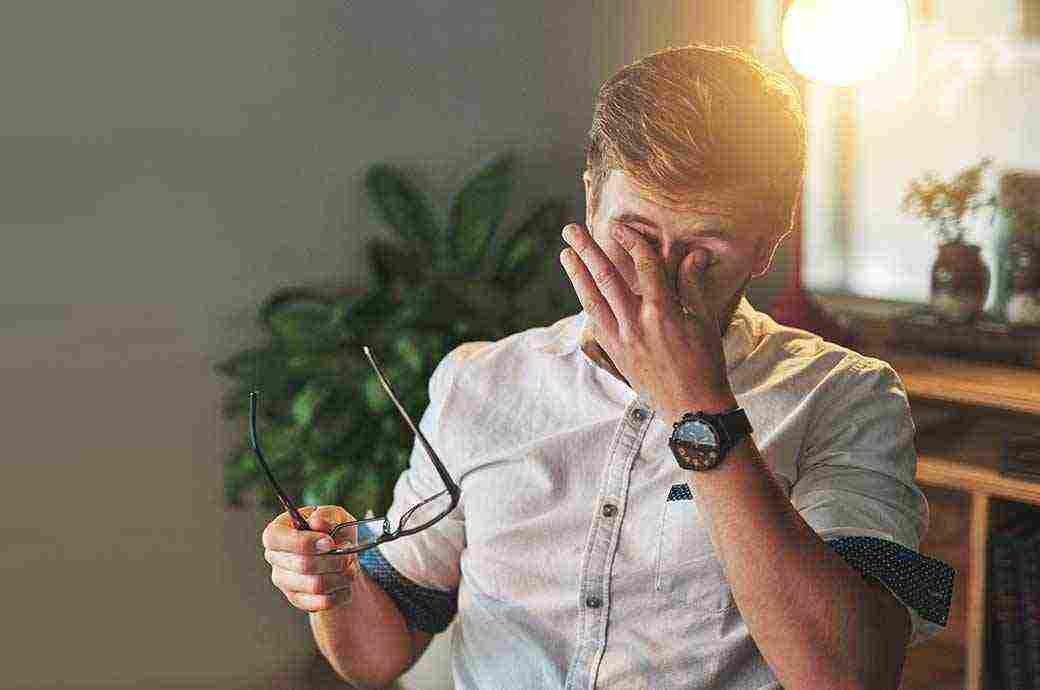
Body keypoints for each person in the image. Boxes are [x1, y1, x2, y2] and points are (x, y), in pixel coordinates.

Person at [261, 44, 953, 689]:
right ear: (591, 195)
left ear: (768, 245)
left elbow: (849, 674)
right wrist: (333, 585)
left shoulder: (844, 396)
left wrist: (697, 405)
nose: (660, 277)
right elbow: (378, 655)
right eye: (637, 234)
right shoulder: (479, 382)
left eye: (704, 250)